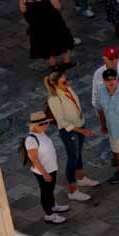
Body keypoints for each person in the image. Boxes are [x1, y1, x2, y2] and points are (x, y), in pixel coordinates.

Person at [44, 71, 97, 203]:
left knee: (78, 154)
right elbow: (61, 121)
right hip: (69, 131)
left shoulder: (68, 89)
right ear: (56, 84)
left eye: (67, 79)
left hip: (79, 126)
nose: (68, 83)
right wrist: (81, 130)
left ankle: (81, 178)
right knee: (72, 158)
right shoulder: (54, 99)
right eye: (64, 82)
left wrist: (81, 125)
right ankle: (73, 191)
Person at [21, 0, 75, 70]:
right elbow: (58, 6)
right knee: (64, 41)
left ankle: (53, 66)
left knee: (45, 46)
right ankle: (66, 62)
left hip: (37, 25)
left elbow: (23, 9)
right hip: (53, 23)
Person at [26, 109, 69, 224]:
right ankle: (49, 215)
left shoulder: (41, 133)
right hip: (43, 171)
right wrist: (44, 174)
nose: (45, 125)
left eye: (46, 123)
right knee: (46, 192)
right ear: (34, 126)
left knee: (50, 189)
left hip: (51, 168)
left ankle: (53, 206)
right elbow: (34, 159)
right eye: (42, 124)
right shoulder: (31, 140)